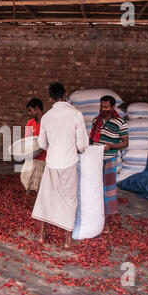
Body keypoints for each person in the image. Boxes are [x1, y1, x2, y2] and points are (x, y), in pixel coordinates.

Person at [31, 82, 89, 248]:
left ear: (49, 98)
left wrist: (54, 148)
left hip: (52, 163)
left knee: (45, 198)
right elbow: (82, 145)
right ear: (66, 94)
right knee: (69, 200)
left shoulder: (47, 117)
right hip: (69, 163)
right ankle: (67, 241)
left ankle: (42, 235)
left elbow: (42, 143)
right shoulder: (76, 115)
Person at [89, 95, 129, 233]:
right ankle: (95, 217)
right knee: (95, 189)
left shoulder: (120, 122)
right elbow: (91, 140)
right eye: (101, 106)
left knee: (107, 190)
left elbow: (125, 143)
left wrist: (111, 145)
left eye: (106, 107)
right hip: (96, 159)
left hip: (110, 159)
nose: (103, 109)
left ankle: (105, 222)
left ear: (112, 107)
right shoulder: (96, 120)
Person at [20, 98, 47, 194]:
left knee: (42, 186)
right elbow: (27, 139)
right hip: (32, 157)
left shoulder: (47, 122)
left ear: (37, 109)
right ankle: (28, 200)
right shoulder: (30, 123)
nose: (29, 113)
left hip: (44, 158)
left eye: (30, 110)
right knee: (27, 180)